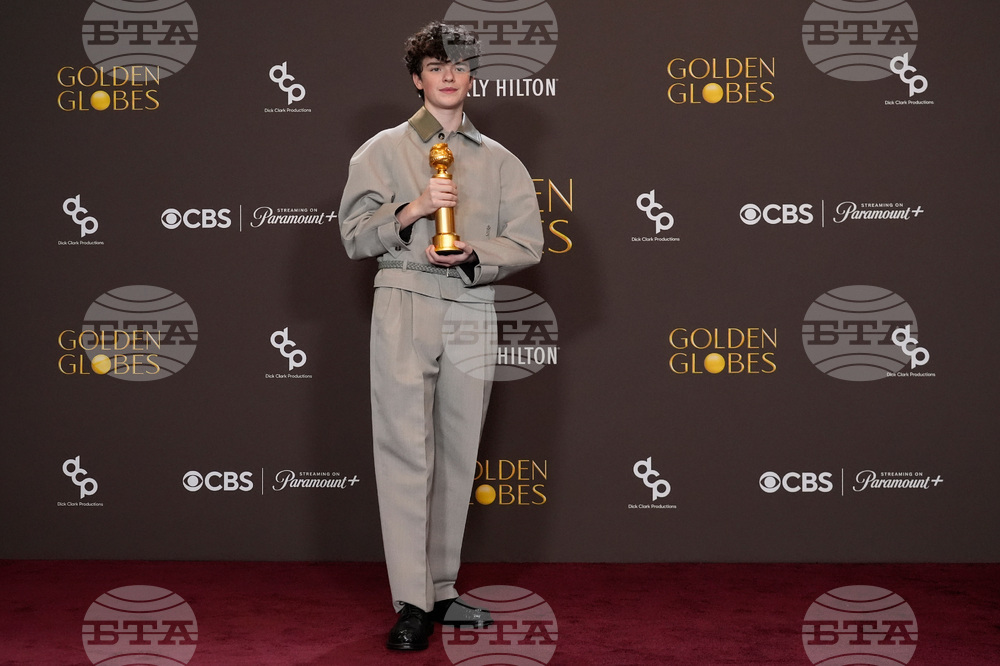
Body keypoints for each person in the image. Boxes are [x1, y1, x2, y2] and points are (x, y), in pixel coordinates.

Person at [338, 21, 544, 651]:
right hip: (404, 297)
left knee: (458, 451)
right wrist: (414, 210)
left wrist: (475, 254)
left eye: (459, 66)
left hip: (472, 304)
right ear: (417, 78)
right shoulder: (381, 150)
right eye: (436, 66)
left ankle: (442, 588)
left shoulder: (503, 161)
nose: (448, 76)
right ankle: (410, 602)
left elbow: (528, 243)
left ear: (472, 75)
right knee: (405, 450)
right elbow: (352, 236)